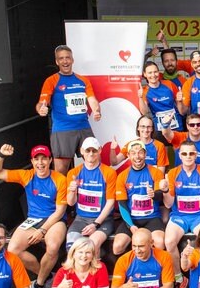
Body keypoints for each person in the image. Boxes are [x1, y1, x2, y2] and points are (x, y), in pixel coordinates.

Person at [0, 143, 67, 288]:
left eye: (44, 159)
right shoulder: (27, 175)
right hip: (33, 220)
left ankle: (39, 284)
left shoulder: (59, 179)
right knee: (12, 250)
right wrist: (1, 155)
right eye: (36, 159)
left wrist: (42, 231)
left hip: (54, 220)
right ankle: (44, 275)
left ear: (50, 160)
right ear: (32, 162)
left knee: (52, 247)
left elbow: (60, 211)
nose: (40, 163)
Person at [36, 45, 101, 175]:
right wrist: (41, 109)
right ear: (57, 62)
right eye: (61, 58)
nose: (65, 61)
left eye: (67, 58)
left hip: (83, 127)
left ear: (72, 60)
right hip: (63, 129)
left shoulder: (83, 80)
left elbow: (92, 99)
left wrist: (96, 110)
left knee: (94, 163)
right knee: (61, 170)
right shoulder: (51, 81)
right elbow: (42, 102)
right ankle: (61, 196)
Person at [163, 139, 200, 288]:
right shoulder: (172, 173)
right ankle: (180, 279)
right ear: (180, 155)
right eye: (184, 153)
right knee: (169, 241)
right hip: (179, 216)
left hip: (199, 215)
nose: (188, 156)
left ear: (196, 154)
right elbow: (168, 203)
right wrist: (165, 190)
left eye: (191, 153)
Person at [112, 140, 168, 256]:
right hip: (132, 218)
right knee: (117, 247)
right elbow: (122, 205)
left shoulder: (156, 172)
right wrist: (130, 225)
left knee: (160, 242)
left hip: (152, 217)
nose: (137, 156)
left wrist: (154, 194)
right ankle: (134, 265)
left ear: (145, 154)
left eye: (140, 153)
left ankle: (152, 267)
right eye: (133, 153)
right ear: (128, 156)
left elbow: (160, 196)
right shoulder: (122, 176)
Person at [65, 137, 116, 257]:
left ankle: (96, 270)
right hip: (81, 219)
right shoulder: (73, 173)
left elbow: (110, 203)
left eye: (94, 150)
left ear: (100, 150)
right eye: (88, 151)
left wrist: (96, 224)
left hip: (103, 220)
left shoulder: (109, 173)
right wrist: (72, 191)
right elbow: (71, 203)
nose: (91, 154)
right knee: (71, 248)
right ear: (82, 151)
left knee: (91, 247)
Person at [139, 61, 184, 135]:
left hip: (176, 126)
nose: (153, 75)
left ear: (158, 72)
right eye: (150, 73)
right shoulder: (144, 91)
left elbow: (181, 109)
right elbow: (144, 112)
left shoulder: (169, 84)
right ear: (145, 74)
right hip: (159, 129)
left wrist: (180, 101)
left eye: (155, 72)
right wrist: (140, 97)